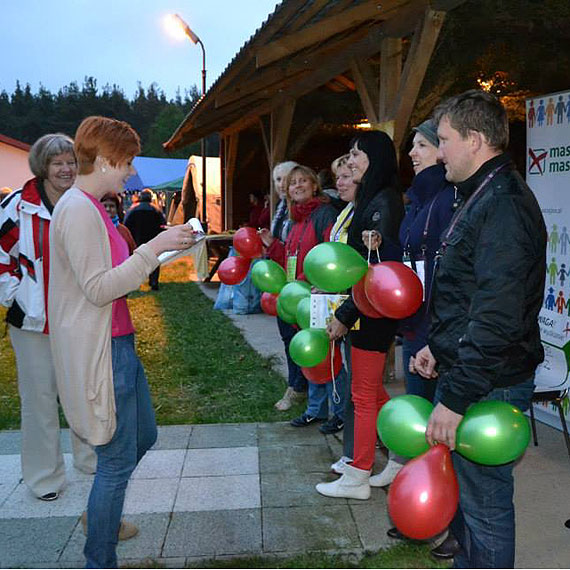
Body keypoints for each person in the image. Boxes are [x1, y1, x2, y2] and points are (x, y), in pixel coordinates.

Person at [48, 116, 196, 568]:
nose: (132, 171)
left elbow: (111, 274)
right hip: (103, 350)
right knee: (114, 461)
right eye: (128, 161)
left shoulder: (90, 206)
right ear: (108, 159)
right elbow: (98, 288)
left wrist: (168, 247)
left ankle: (103, 514)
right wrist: (154, 249)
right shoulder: (78, 209)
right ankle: (100, 556)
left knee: (142, 436)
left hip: (117, 342)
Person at [414, 90, 546, 568]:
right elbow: (471, 295)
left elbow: (498, 316)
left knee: (485, 508)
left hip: (489, 382)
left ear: (474, 139)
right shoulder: (482, 195)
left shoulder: (504, 204)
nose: (439, 151)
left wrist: (456, 396)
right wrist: (439, 345)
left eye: (444, 140)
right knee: (470, 505)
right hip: (473, 372)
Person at [0, 133, 96, 502]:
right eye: (58, 163)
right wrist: (16, 294)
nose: (66, 169)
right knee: (39, 399)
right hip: (32, 323)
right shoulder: (16, 206)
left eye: (71, 161)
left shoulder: (84, 203)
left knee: (85, 392)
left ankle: (89, 460)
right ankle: (44, 478)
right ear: (43, 167)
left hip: (78, 318)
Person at [316, 130, 404, 500]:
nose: (350, 160)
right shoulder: (371, 198)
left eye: (357, 153)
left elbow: (373, 269)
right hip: (365, 311)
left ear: (376, 157)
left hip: (371, 313)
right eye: (349, 153)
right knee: (370, 392)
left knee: (364, 395)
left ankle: (358, 475)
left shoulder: (382, 201)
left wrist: (346, 313)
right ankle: (401, 453)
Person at [260, 165, 346, 432]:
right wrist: (272, 245)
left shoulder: (324, 214)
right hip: (299, 299)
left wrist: (324, 286)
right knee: (310, 353)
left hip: (320, 295)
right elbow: (290, 257)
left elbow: (334, 253)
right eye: (292, 183)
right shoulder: (296, 219)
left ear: (314, 186)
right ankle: (316, 410)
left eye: (303, 181)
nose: (297, 186)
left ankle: (339, 411)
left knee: (328, 356)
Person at [327, 154, 358, 471]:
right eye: (338, 177)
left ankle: (356, 452)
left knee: (360, 389)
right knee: (358, 386)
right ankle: (356, 448)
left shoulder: (362, 215)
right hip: (344, 305)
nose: (340, 182)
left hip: (356, 309)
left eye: (348, 176)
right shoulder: (346, 211)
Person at [266, 161, 303, 411]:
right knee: (288, 337)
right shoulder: (282, 208)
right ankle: (297, 384)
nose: (282, 185)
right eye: (277, 180)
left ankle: (298, 387)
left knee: (298, 339)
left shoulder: (300, 212)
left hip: (297, 284)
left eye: (286, 179)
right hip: (283, 282)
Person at [124, 188, 166, 290]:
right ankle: (154, 282)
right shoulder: (156, 210)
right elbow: (163, 225)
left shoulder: (132, 209)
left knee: (136, 261)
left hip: (137, 239)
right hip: (153, 240)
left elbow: (126, 224)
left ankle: (135, 282)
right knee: (154, 261)